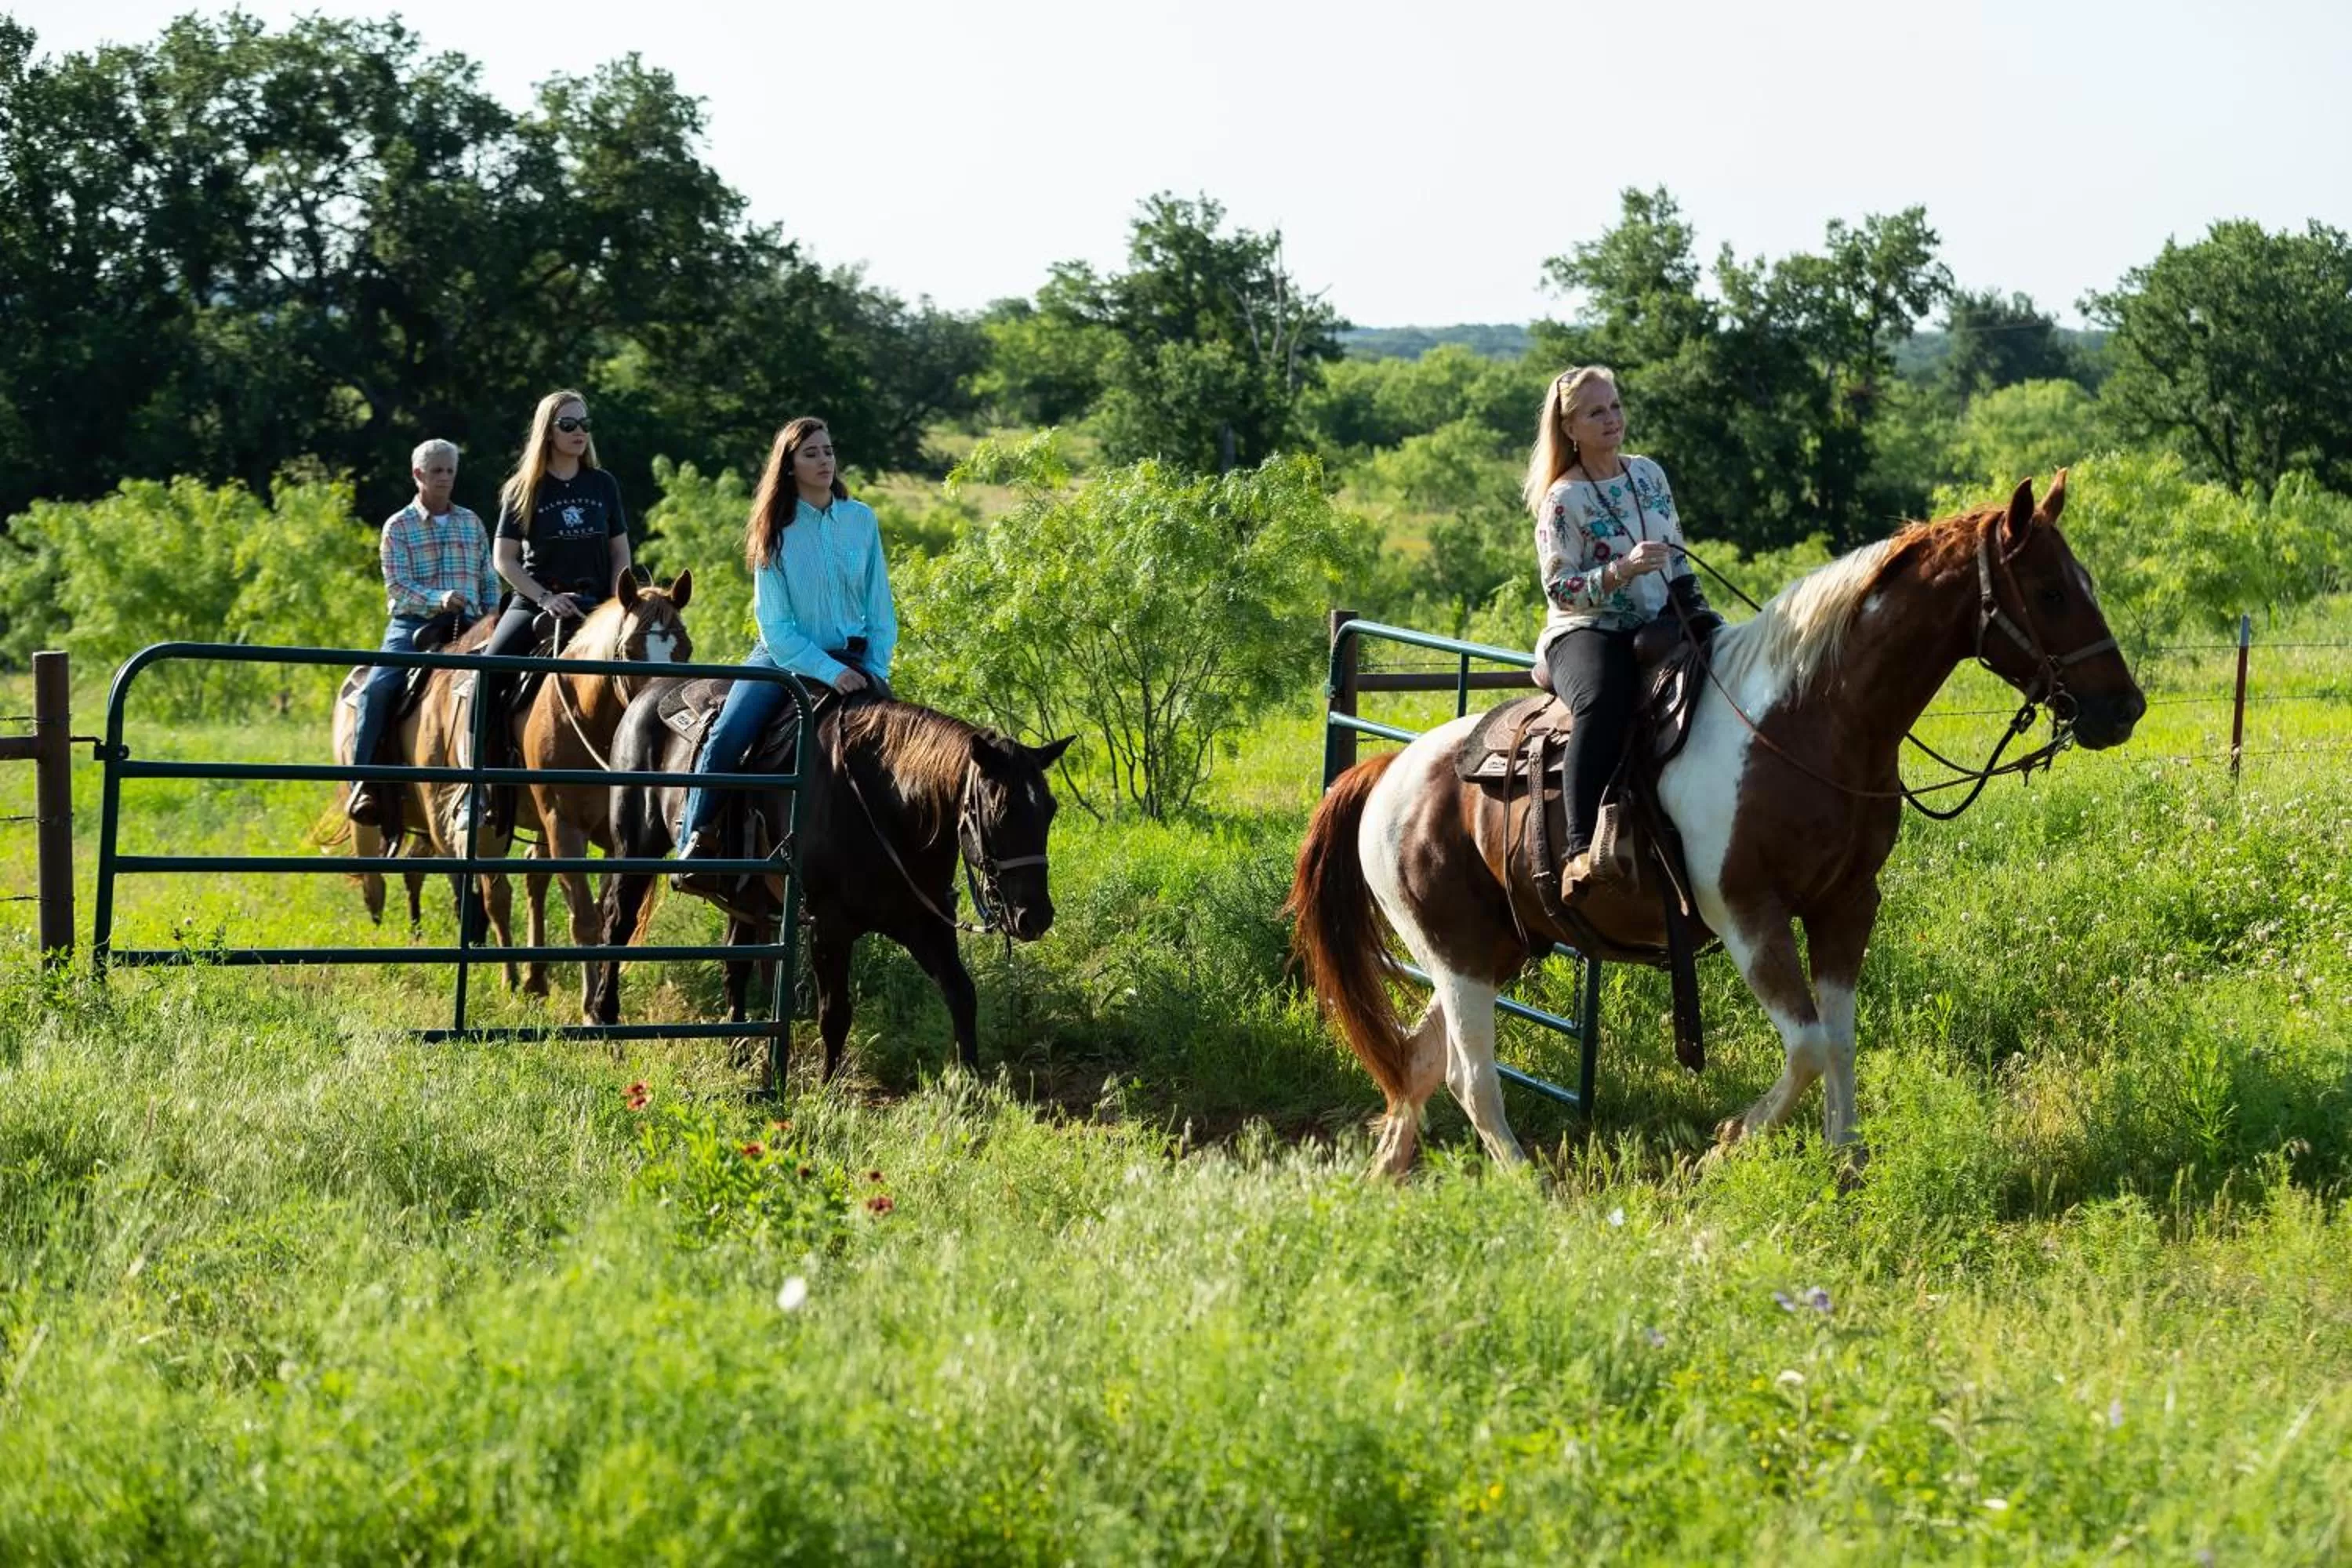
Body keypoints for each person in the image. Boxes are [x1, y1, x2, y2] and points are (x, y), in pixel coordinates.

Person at [673, 416, 897, 887]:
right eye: (811, 453)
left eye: (828, 451)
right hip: (783, 658)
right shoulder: (774, 528)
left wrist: (875, 670)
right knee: (728, 737)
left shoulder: (861, 520)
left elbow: (880, 606)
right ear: (789, 465)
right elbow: (775, 626)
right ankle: (695, 844)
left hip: (858, 660)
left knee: (904, 748)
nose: (823, 461)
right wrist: (829, 673)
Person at [1525, 364, 1720, 896]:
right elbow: (1559, 589)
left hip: (1659, 618)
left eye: (1614, 406)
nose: (1611, 418)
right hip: (1586, 627)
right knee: (1603, 699)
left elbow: (1675, 554)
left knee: (1730, 666)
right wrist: (1622, 570)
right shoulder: (1563, 500)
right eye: (1595, 412)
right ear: (1570, 429)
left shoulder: (1649, 474)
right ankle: (1580, 849)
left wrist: (1694, 606)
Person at [472, 388, 633, 829]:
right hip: (537, 602)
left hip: (599, 605)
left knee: (648, 669)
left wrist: (617, 601)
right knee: (489, 672)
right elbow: (503, 558)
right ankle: (482, 787)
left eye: (585, 425)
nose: (579, 432)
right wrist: (544, 597)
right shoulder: (524, 488)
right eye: (569, 425)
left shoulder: (603, 485)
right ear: (548, 431)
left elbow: (621, 552)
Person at [346, 438, 501, 826]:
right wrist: (439, 598)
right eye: (437, 471)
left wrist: (491, 613)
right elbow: (397, 586)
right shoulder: (398, 527)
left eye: (450, 470)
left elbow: (488, 575)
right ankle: (363, 783)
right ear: (418, 475)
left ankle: (504, 783)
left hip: (470, 626)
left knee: (510, 681)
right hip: (413, 625)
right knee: (378, 688)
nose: (445, 478)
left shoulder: (471, 522)